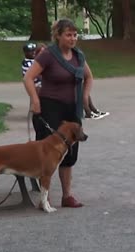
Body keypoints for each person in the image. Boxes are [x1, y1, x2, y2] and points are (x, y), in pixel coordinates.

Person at [23, 18, 92, 208]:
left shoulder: (78, 56)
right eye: (68, 34)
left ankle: (67, 195)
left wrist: (85, 97)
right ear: (58, 36)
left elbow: (88, 77)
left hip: (72, 109)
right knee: (47, 153)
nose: (72, 38)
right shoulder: (48, 55)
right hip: (50, 108)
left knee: (69, 152)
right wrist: (35, 101)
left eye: (75, 35)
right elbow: (28, 78)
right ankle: (45, 197)